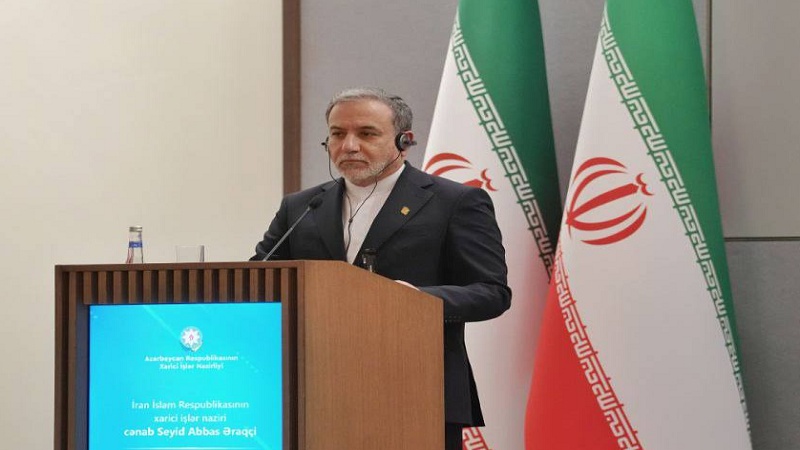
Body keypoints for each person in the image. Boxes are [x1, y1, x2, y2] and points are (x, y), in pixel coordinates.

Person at [251, 87, 511, 450]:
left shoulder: (454, 202)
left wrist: (415, 299)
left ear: (404, 141)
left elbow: (491, 292)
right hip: (315, 392)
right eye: (338, 134)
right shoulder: (302, 206)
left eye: (367, 133)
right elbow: (261, 280)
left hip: (417, 389)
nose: (349, 146)